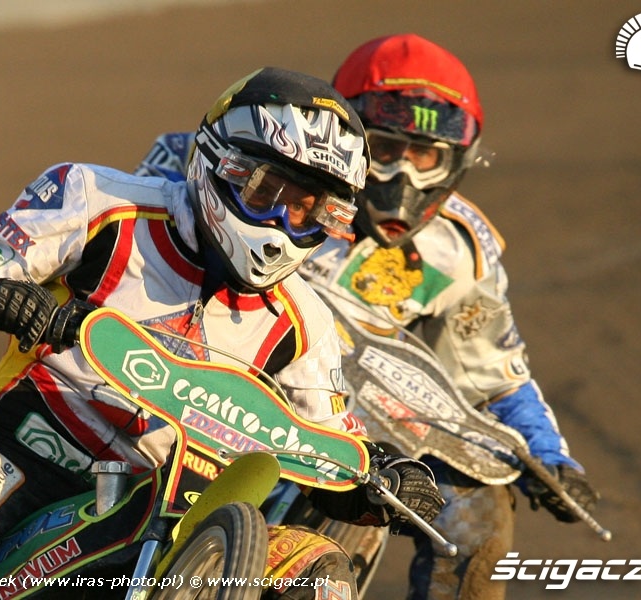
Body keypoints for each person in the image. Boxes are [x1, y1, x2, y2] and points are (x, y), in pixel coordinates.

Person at [0, 67, 444, 600]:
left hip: (178, 503)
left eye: (309, 207)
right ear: (219, 163)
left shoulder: (305, 323)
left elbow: (329, 455)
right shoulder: (100, 201)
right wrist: (1, 297)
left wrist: (386, 485)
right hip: (25, 450)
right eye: (267, 190)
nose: (283, 219)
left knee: (318, 573)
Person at [134, 35, 601, 600]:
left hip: (343, 430)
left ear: (455, 161)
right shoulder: (222, 153)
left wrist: (549, 455)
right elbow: (129, 244)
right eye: (385, 147)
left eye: (425, 156)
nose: (404, 174)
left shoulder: (459, 249)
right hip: (188, 376)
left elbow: (493, 371)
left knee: (478, 513)